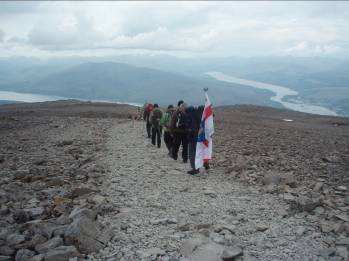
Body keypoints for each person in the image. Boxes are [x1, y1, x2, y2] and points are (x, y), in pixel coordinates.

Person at [186, 105, 204, 175]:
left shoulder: (192, 117)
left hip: (193, 138)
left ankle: (195, 169)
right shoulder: (200, 116)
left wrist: (189, 131)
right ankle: (198, 167)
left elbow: (192, 129)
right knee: (197, 153)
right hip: (199, 138)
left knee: (192, 153)